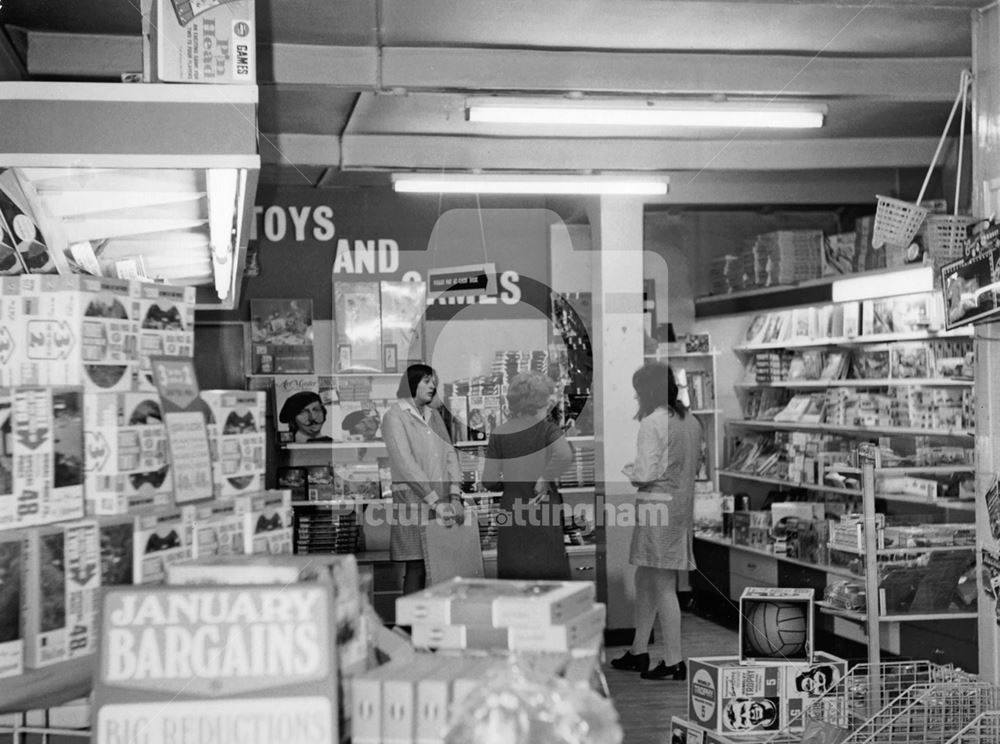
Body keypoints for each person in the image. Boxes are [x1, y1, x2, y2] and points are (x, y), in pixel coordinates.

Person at [611, 362, 702, 681]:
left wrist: (630, 470)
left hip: (657, 507)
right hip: (681, 506)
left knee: (662, 582)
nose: (637, 398)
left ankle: (674, 661)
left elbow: (646, 473)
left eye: (638, 392)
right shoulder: (689, 420)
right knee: (647, 576)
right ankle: (639, 650)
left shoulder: (652, 422)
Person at [480, 371, 574, 580]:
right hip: (543, 507)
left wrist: (509, 485)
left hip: (512, 510)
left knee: (515, 578)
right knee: (549, 577)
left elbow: (489, 480)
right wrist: (544, 478)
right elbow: (565, 455)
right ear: (539, 403)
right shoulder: (548, 430)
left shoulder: (500, 433)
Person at [381, 363, 464, 594]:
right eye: (426, 381)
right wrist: (434, 501)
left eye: (433, 380)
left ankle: (438, 621)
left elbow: (449, 454)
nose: (432, 385)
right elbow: (405, 464)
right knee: (417, 566)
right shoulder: (394, 417)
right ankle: (410, 627)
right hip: (414, 499)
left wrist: (455, 495)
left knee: (442, 563)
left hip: (444, 499)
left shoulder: (434, 415)